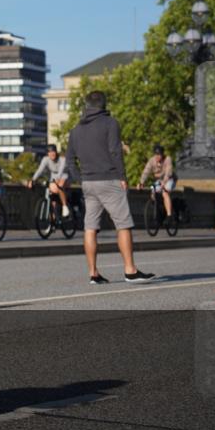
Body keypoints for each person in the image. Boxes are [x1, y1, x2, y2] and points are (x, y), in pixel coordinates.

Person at [64, 91, 154, 285]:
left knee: (90, 228)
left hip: (88, 184)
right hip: (109, 179)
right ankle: (130, 270)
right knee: (123, 225)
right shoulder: (110, 123)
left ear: (86, 106)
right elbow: (115, 150)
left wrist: (81, 179)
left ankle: (93, 273)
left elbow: (69, 161)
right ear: (103, 105)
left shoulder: (75, 130)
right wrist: (122, 176)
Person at [28, 144, 70, 217]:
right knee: (51, 196)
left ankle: (64, 206)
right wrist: (32, 180)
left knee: (60, 185)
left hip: (64, 175)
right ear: (47, 153)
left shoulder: (62, 159)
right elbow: (39, 170)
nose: (52, 154)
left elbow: (61, 171)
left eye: (53, 152)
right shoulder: (45, 159)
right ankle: (52, 218)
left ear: (56, 152)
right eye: (50, 152)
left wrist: (56, 180)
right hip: (53, 177)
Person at [138, 144, 175, 220]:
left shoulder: (168, 159)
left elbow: (168, 172)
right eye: (156, 155)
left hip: (169, 180)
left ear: (162, 154)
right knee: (153, 193)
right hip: (159, 181)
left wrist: (164, 183)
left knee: (165, 193)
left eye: (159, 155)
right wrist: (141, 182)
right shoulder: (152, 161)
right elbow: (146, 171)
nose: (157, 157)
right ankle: (160, 210)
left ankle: (169, 215)